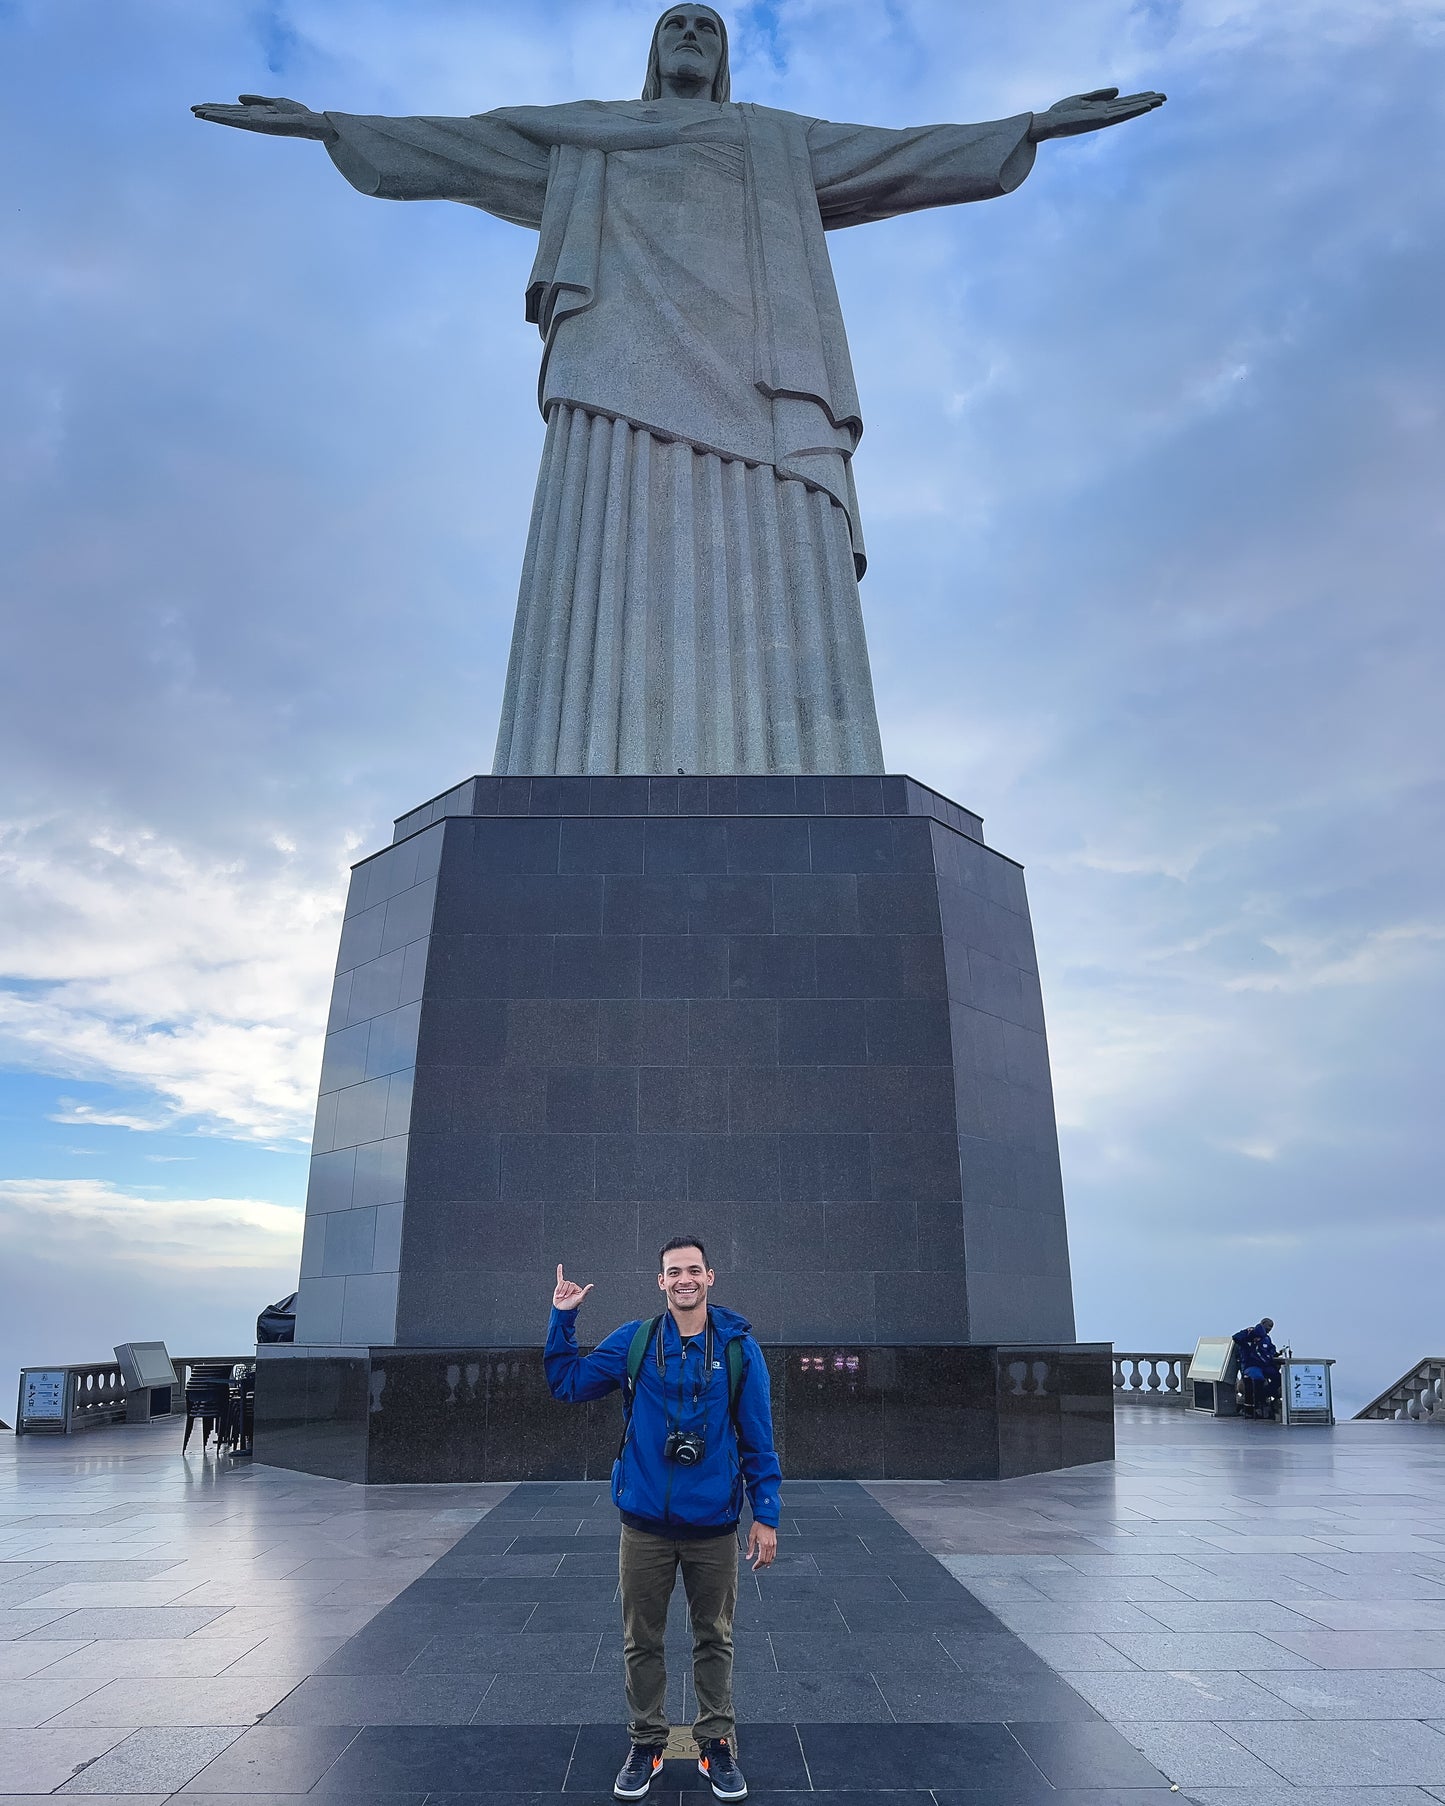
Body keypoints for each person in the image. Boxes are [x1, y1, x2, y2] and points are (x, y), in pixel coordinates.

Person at [192, 10, 1164, 779]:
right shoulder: (582, 136)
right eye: (675, 26)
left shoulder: (776, 141)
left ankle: (799, 762)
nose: (692, 36)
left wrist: (1028, 126)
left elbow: (902, 154)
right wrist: (326, 126)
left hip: (761, 368)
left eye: (708, 27)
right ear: (652, 55)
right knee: (605, 531)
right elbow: (454, 145)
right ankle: (579, 753)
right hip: (614, 352)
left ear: (725, 60)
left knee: (774, 541)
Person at [546, 1238, 780, 1803]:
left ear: (710, 1277)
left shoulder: (740, 1350)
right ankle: (646, 1741)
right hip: (645, 1523)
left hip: (714, 1524)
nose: (684, 1280)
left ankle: (716, 1743)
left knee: (714, 1638)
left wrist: (764, 1513)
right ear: (660, 1282)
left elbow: (759, 1437)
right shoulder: (636, 1341)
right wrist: (562, 1319)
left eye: (693, 1271)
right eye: (673, 1272)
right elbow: (568, 1384)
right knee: (641, 1640)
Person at [1233, 1318, 1281, 1418]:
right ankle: (1258, 1403)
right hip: (1250, 1365)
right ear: (1262, 1324)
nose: (1269, 1330)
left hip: (1264, 1365)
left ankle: (1265, 1394)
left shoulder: (1266, 1338)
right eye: (1268, 1327)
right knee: (1258, 1378)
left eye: (1271, 1329)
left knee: (1278, 1377)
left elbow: (1271, 1348)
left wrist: (1273, 1354)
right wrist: (1249, 1335)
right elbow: (1236, 1337)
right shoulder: (1249, 1333)